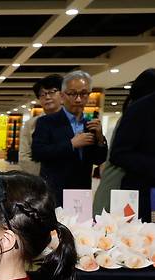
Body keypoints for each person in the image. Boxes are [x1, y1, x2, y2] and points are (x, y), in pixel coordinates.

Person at [31, 70, 108, 206]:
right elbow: (38, 153)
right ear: (62, 95)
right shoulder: (47, 122)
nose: (78, 99)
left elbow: (99, 159)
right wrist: (71, 144)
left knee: (81, 227)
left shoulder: (90, 124)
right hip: (54, 189)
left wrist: (100, 138)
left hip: (82, 190)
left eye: (83, 94)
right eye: (72, 93)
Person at [94, 68, 155, 218]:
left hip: (130, 189)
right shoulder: (137, 112)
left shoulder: (134, 112)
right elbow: (118, 154)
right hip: (123, 189)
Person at [18, 74, 63, 175]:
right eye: (42, 94)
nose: (47, 97)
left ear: (62, 94)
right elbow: (24, 157)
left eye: (52, 92)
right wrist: (46, 174)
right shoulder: (31, 124)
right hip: (40, 180)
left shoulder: (73, 121)